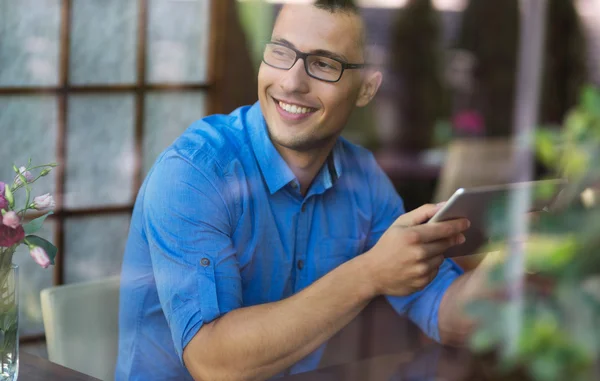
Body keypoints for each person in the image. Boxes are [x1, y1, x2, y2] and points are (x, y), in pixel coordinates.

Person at [115, 1, 483, 380]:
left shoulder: (361, 178)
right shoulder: (195, 172)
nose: (291, 82)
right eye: (280, 52)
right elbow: (214, 364)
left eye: (324, 64)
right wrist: (369, 273)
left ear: (367, 89)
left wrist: (515, 265)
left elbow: (444, 311)